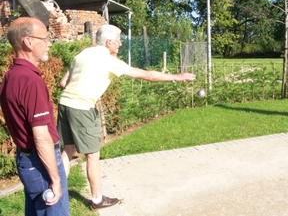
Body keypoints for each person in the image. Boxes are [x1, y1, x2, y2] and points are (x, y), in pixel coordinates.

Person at [58, 23, 196, 210]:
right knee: (92, 155)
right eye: (118, 41)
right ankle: (97, 200)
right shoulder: (108, 60)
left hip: (64, 104)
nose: (120, 44)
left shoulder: (83, 54)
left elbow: (63, 82)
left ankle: (58, 192)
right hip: (82, 108)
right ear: (108, 42)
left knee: (68, 150)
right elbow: (148, 76)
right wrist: (178, 77)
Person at [0, 17, 69, 216]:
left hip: (26, 160)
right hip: (41, 163)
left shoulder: (10, 75)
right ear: (28, 42)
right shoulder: (30, 80)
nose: (49, 44)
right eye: (45, 38)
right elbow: (41, 136)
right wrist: (55, 179)